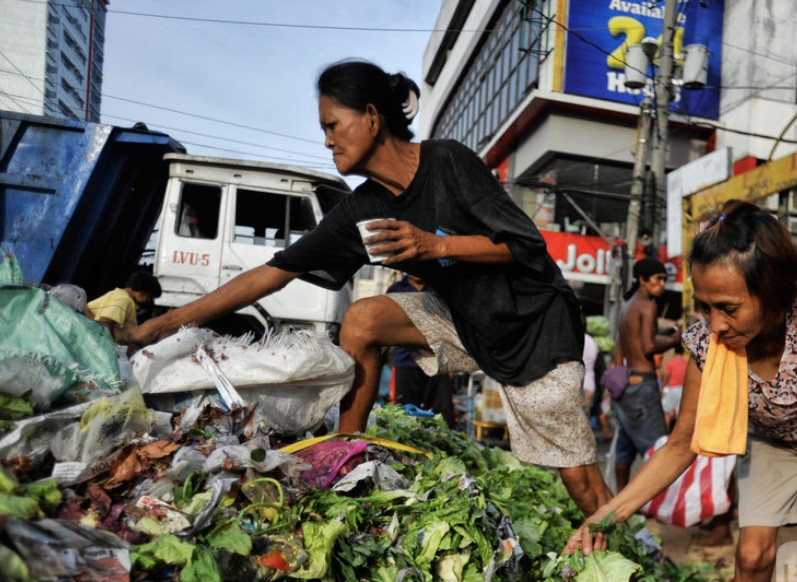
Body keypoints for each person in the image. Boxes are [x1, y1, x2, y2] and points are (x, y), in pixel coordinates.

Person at [124, 60, 612, 520]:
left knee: (581, 483)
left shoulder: (446, 161)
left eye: (332, 126)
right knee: (363, 319)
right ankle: (344, 460)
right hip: (467, 322)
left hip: (535, 325)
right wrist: (156, 328)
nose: (327, 141)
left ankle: (630, 572)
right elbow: (273, 272)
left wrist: (434, 244)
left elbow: (525, 245)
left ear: (372, 118)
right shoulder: (364, 208)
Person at [566, 201, 797, 582]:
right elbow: (681, 443)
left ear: (775, 296)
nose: (716, 325)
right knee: (751, 554)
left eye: (728, 308)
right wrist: (607, 515)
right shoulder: (709, 343)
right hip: (776, 430)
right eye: (705, 308)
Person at [611, 257, 680, 490]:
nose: (662, 284)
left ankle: (620, 496)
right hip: (643, 383)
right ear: (642, 279)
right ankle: (657, 500)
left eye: (664, 280)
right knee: (658, 448)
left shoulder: (626, 307)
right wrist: (674, 341)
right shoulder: (648, 306)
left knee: (625, 448)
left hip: (627, 384)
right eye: (658, 279)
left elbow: (619, 351)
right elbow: (649, 347)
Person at [386, 274, 454, 423]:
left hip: (438, 361)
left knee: (442, 416)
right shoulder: (396, 289)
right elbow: (389, 324)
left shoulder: (439, 287)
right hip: (405, 361)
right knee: (401, 415)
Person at [85, 271, 162, 342]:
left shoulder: (115, 293)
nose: (148, 300)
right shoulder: (125, 300)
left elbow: (87, 309)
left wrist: (95, 326)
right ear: (141, 292)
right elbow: (106, 321)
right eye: (148, 297)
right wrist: (110, 344)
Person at [660, 343, 687, 428]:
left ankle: (666, 431)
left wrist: (662, 387)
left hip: (673, 389)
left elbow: (666, 376)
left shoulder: (671, 362)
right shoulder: (686, 363)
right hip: (684, 391)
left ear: (675, 352)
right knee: (681, 415)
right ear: (682, 353)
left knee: (667, 412)